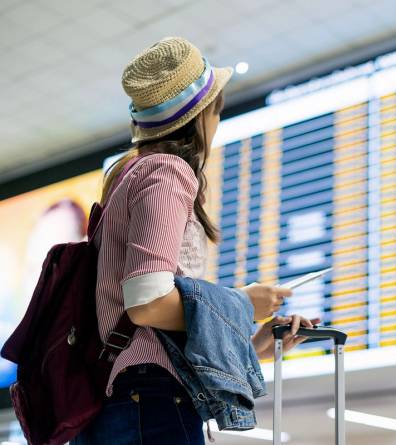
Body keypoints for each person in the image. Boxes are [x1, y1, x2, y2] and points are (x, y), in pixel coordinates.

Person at [71, 37, 317, 445]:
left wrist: (248, 347)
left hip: (121, 398)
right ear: (202, 115)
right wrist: (242, 305)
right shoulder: (167, 171)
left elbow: (146, 333)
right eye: (216, 111)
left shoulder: (125, 176)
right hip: (146, 401)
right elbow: (147, 304)